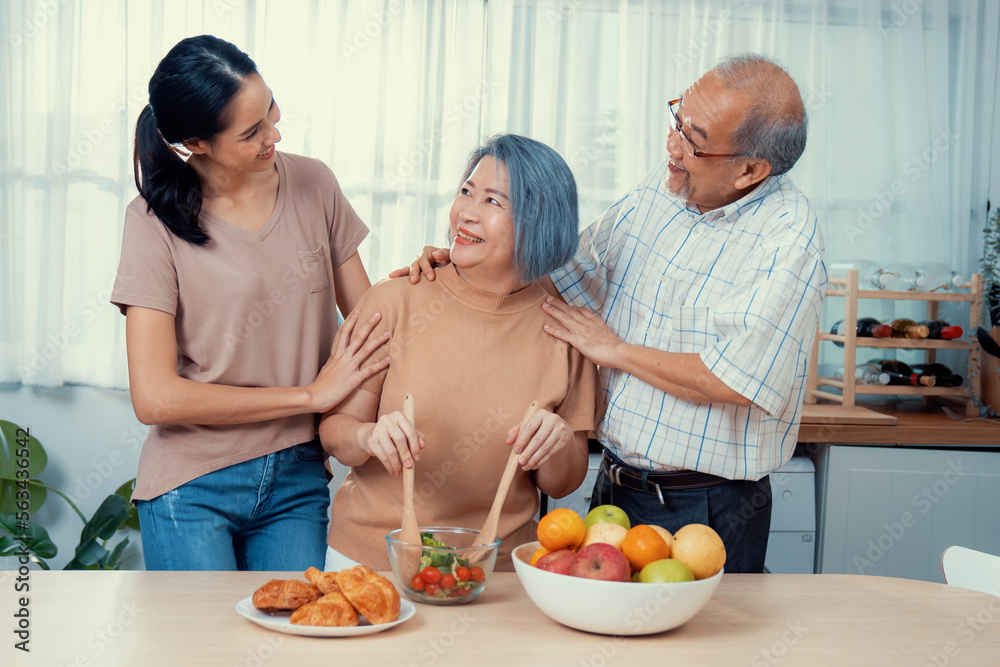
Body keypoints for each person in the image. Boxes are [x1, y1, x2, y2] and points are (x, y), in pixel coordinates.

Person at [395, 54, 827, 573]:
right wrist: (470, 259)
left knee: (700, 651)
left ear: (750, 171)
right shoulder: (667, 187)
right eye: (677, 120)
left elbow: (737, 378)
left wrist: (616, 350)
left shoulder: (788, 239)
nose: (672, 147)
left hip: (706, 508)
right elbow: (569, 269)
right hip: (618, 489)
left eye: (694, 139)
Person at [110, 35, 389, 571]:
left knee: (286, 650)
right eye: (251, 131)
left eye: (271, 111)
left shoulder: (314, 183)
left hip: (298, 481)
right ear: (198, 142)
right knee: (205, 654)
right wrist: (309, 396)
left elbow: (372, 323)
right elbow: (155, 399)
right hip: (191, 486)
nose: (274, 135)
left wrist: (437, 276)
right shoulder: (150, 223)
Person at [319, 133, 598, 572]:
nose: (465, 213)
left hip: (498, 572)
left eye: (492, 201)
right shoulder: (395, 300)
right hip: (372, 561)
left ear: (538, 221)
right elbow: (336, 433)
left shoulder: (565, 330)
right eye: (466, 191)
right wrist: (366, 437)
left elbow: (563, 484)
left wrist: (557, 441)